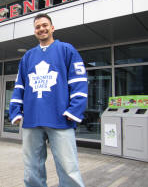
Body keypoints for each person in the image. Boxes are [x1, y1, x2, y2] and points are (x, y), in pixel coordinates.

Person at [9, 13, 88, 187]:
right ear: (34, 31)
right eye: (37, 27)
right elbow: (19, 85)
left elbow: (79, 81)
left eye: (45, 25)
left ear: (52, 28)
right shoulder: (27, 57)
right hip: (32, 119)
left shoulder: (67, 50)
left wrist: (74, 110)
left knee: (69, 168)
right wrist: (15, 111)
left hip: (60, 118)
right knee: (31, 169)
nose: (41, 29)